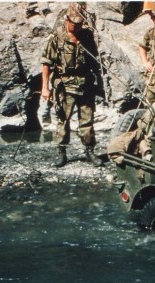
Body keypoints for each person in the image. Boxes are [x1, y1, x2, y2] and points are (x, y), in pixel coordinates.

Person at [41, 3, 103, 168]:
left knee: (87, 120)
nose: (77, 27)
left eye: (80, 23)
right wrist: (45, 87)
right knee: (63, 120)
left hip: (85, 84)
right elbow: (46, 63)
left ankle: (89, 151)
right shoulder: (57, 37)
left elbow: (95, 61)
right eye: (74, 24)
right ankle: (62, 153)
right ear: (67, 20)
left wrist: (99, 83)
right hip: (65, 85)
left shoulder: (87, 36)